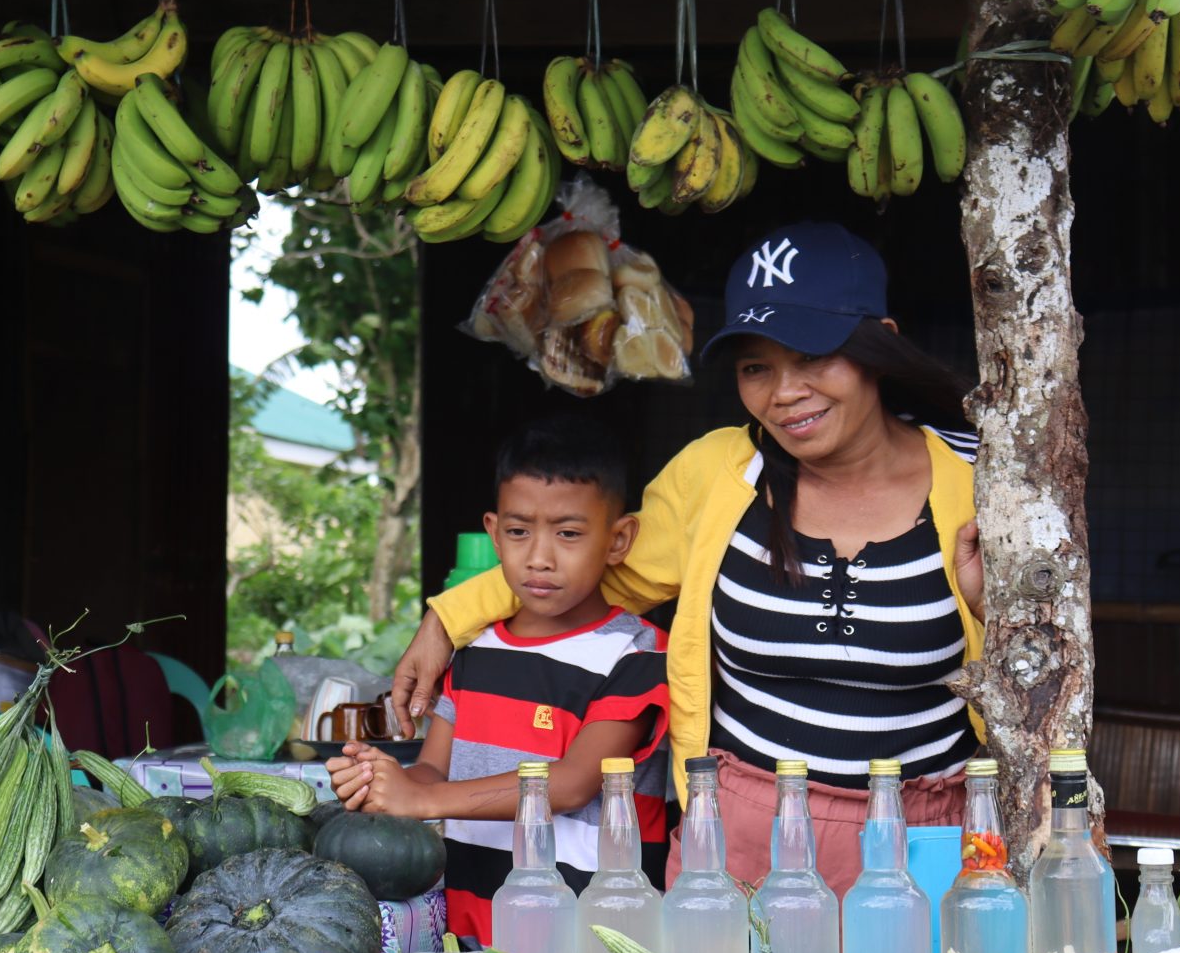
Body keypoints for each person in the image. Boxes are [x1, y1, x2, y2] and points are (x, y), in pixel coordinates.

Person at [389, 222, 986, 900]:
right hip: (738, 837)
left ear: (880, 341)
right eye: (757, 367)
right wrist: (445, 623)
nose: (784, 392)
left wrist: (992, 607)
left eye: (812, 356)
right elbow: (588, 570)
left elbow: (1046, 667)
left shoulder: (981, 483)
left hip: (926, 839)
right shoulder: (716, 475)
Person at [328, 414, 670, 945]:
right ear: (493, 533)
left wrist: (421, 803)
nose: (539, 557)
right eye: (518, 532)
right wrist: (382, 782)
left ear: (619, 538)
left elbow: (573, 783)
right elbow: (434, 772)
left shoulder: (635, 654)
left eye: (569, 534)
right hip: (472, 933)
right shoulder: (474, 651)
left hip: (591, 941)